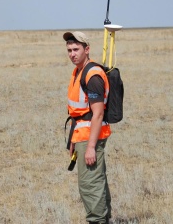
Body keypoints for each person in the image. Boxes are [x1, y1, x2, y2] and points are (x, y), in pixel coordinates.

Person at [63, 31, 112, 224]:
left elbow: (98, 113)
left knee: (89, 184)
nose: (72, 54)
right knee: (95, 180)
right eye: (69, 50)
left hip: (91, 136)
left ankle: (98, 220)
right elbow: (79, 113)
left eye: (76, 49)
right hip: (81, 134)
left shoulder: (92, 75)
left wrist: (91, 147)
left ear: (87, 49)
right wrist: (74, 140)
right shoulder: (79, 71)